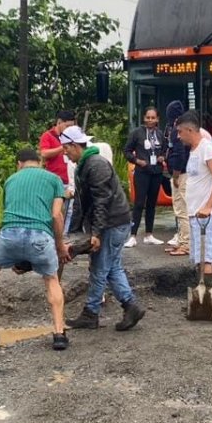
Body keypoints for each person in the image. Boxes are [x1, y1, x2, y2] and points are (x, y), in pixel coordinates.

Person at [0, 148, 71, 351]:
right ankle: (59, 333)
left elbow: (11, 212)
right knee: (51, 280)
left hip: (10, 234)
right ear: (39, 162)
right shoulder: (54, 179)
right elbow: (56, 215)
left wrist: (15, 256)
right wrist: (60, 246)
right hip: (40, 236)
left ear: (19, 164)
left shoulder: (10, 180)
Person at [60, 125, 146, 332]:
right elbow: (83, 202)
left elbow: (102, 200)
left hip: (112, 222)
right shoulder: (87, 164)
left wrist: (96, 233)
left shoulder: (95, 164)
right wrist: (73, 231)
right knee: (111, 266)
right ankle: (130, 306)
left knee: (99, 267)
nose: (65, 153)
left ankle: (91, 313)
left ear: (75, 145)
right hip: (114, 221)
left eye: (66, 148)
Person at [175, 110, 212, 278]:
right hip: (195, 214)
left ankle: (208, 292)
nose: (178, 136)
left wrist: (208, 206)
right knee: (198, 259)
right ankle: (199, 287)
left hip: (206, 216)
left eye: (180, 132)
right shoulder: (193, 150)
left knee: (206, 260)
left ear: (190, 130)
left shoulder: (207, 148)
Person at [123, 107, 166, 248]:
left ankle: (149, 234)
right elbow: (127, 151)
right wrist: (137, 161)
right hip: (142, 172)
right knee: (139, 203)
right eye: (148, 117)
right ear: (144, 118)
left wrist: (162, 157)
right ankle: (132, 236)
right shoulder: (137, 133)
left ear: (157, 119)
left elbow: (165, 150)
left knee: (152, 204)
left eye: (153, 118)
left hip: (156, 172)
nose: (150, 120)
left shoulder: (160, 134)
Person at [39, 111, 76, 230]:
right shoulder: (48, 135)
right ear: (59, 122)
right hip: (54, 180)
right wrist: (62, 147)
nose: (69, 129)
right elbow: (44, 153)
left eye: (72, 126)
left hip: (69, 180)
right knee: (55, 211)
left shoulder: (73, 137)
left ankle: (65, 234)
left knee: (70, 211)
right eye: (67, 126)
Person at [164, 100, 190, 256]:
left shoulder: (177, 131)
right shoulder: (182, 128)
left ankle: (185, 244)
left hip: (180, 174)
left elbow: (180, 154)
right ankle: (181, 241)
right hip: (182, 173)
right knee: (180, 210)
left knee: (182, 210)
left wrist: (175, 175)